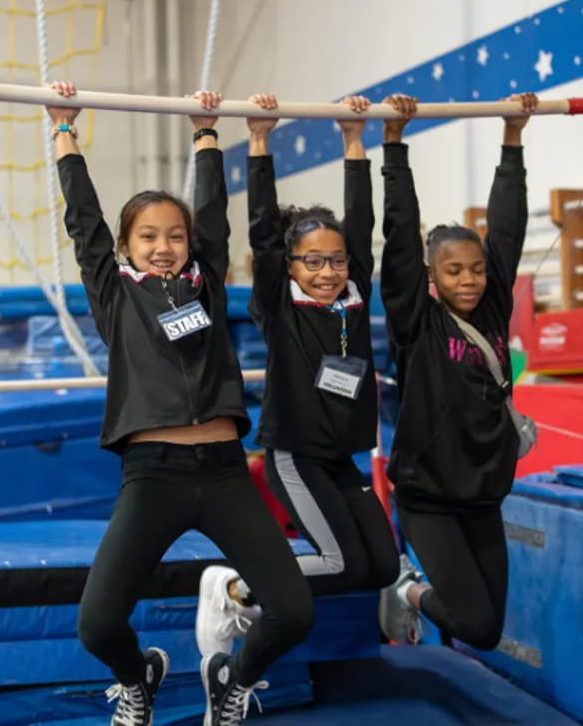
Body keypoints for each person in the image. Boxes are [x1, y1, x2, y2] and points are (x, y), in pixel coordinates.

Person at [46, 81, 314, 726]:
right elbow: (84, 222)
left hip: (224, 472)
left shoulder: (207, 287)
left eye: (174, 235)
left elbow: (215, 214)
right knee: (97, 624)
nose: (163, 245)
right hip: (153, 476)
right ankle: (139, 674)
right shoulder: (115, 295)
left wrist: (207, 132)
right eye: (147, 236)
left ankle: (231, 678)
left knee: (295, 612)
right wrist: (64, 132)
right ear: (127, 246)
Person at [195, 93, 399, 657]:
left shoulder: (354, 295)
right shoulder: (279, 304)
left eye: (336, 260)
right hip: (296, 455)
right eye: (313, 261)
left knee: (382, 565)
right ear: (291, 266)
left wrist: (354, 140)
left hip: (341, 457)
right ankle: (234, 587)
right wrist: (259, 141)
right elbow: (262, 232)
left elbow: (361, 221)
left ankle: (252, 588)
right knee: (339, 561)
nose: (328, 270)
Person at [376, 92, 538, 650]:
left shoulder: (492, 307)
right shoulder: (416, 323)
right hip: (429, 498)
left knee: (488, 631)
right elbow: (398, 240)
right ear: (431, 276)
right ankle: (406, 589)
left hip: (483, 495)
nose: (468, 280)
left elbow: (507, 228)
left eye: (475, 270)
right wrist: (394, 146)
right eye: (453, 271)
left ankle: (410, 592)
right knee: (470, 621)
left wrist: (512, 138)